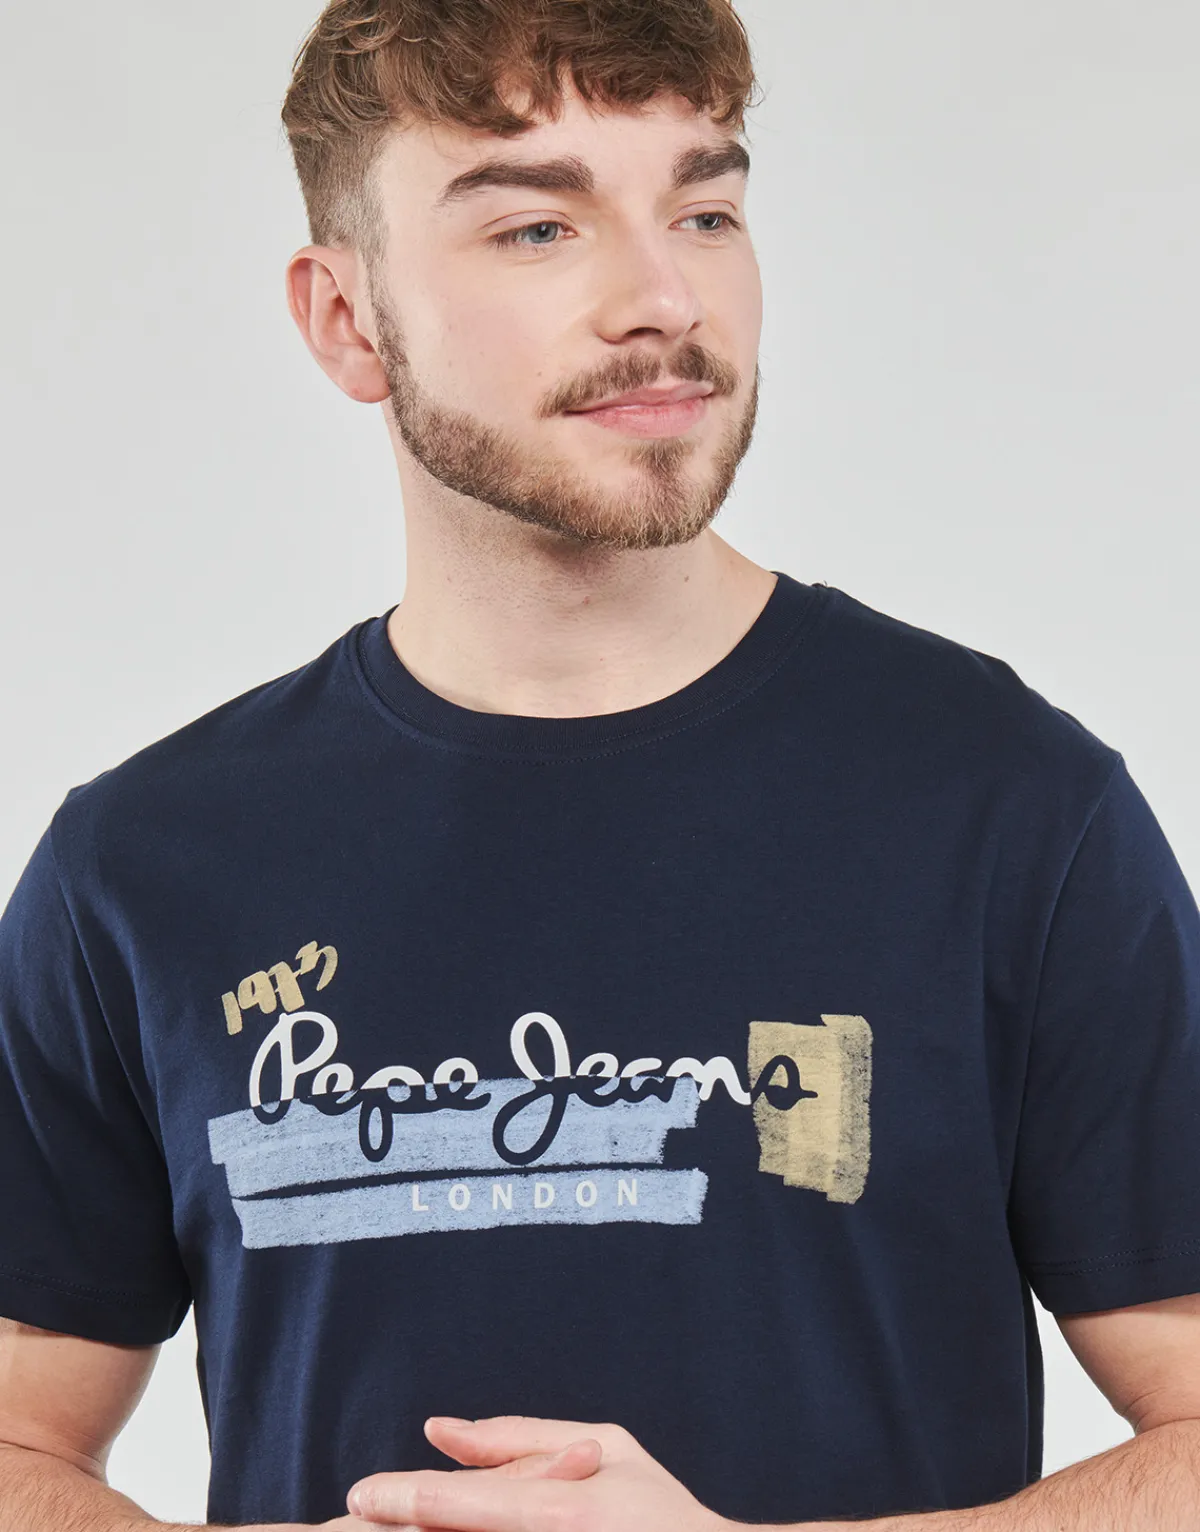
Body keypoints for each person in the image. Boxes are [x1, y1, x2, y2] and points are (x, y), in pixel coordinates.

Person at [2, 2, 1199, 1530]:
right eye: (537, 228)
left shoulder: (1013, 809)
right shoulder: (142, 866)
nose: (661, 298)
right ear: (348, 320)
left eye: (704, 211)